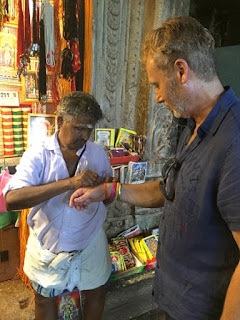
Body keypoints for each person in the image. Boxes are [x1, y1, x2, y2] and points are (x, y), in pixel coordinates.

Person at [69, 16, 240, 320]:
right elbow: (170, 190)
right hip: (175, 300)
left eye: (157, 85)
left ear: (181, 70)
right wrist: (111, 189)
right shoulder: (192, 125)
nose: (158, 97)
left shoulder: (233, 141)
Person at [4, 91, 115, 320]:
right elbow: (12, 199)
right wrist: (70, 183)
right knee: (45, 300)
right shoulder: (38, 154)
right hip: (47, 243)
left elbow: (108, 198)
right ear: (60, 120)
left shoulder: (97, 154)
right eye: (78, 127)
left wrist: (106, 190)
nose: (84, 135)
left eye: (89, 129)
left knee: (95, 293)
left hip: (90, 239)